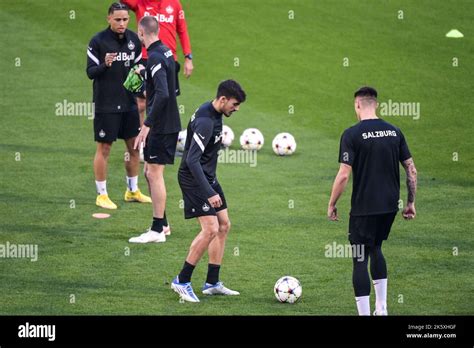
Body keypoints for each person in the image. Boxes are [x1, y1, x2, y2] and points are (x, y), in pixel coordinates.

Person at [327, 87, 417, 316]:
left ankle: (365, 314)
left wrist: (332, 203)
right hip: (389, 207)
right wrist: (410, 203)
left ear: (357, 105)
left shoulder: (352, 134)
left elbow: (344, 174)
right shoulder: (394, 132)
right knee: (376, 248)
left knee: (359, 258)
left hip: (363, 209)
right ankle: (382, 308)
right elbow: (411, 170)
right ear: (375, 104)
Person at [170, 80, 246, 303]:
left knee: (223, 225)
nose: (236, 108)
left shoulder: (215, 113)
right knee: (210, 228)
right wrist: (209, 192)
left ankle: (212, 283)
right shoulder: (205, 121)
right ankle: (181, 281)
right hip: (194, 180)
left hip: (208, 178)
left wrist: (211, 184)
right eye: (234, 104)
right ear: (222, 99)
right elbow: (192, 160)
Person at [87, 2, 151, 210]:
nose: (122, 23)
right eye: (117, 20)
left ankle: (132, 190)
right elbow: (90, 73)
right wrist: (104, 64)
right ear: (109, 19)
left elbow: (138, 67)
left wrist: (140, 89)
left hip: (129, 104)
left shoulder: (134, 39)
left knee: (134, 147)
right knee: (104, 148)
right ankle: (102, 194)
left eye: (125, 19)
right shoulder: (98, 41)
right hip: (106, 104)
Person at [128, 16, 181, 243]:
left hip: (161, 125)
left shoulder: (156, 57)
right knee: (150, 173)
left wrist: (147, 125)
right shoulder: (166, 52)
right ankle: (163, 224)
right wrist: (146, 74)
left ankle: (157, 230)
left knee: (154, 174)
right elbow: (172, 88)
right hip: (166, 122)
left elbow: (164, 94)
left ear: (141, 33)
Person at [121, 0, 193, 126]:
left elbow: (182, 30)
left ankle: (163, 132)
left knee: (166, 99)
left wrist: (188, 57)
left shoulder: (174, 3)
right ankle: (142, 138)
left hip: (169, 59)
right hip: (145, 58)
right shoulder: (140, 2)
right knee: (141, 103)